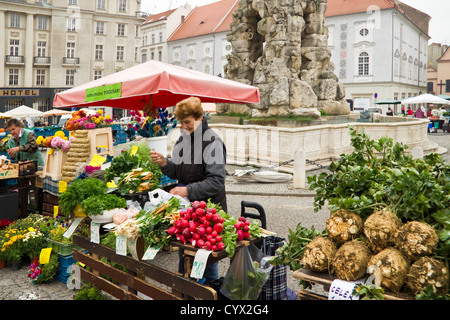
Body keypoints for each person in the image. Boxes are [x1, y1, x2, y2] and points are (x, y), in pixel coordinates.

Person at [150, 96, 227, 284]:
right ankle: (186, 294)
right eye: (181, 123)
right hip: (188, 213)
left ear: (199, 118)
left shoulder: (212, 142)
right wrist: (164, 163)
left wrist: (187, 191)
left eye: (187, 122)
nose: (183, 127)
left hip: (210, 214)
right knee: (185, 258)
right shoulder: (184, 140)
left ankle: (208, 296)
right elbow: (178, 170)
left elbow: (217, 180)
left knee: (205, 262)